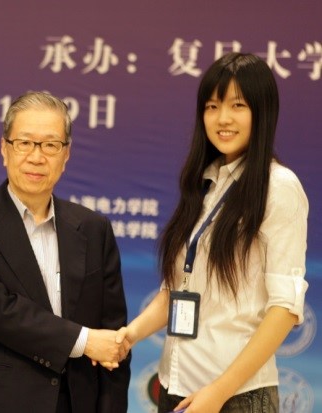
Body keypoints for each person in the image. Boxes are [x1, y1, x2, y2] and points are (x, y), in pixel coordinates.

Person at [115, 53, 309, 413]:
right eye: (212, 106)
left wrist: (219, 392)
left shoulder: (279, 187)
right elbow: (178, 289)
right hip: (175, 386)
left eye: (238, 105)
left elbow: (284, 309)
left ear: (262, 111)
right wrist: (129, 335)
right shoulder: (205, 182)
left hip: (236, 397)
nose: (222, 119)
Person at [0, 91, 131, 413]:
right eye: (25, 143)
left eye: (50, 145)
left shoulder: (93, 228)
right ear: (4, 149)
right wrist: (83, 341)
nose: (36, 157)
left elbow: (112, 336)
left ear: (66, 154)